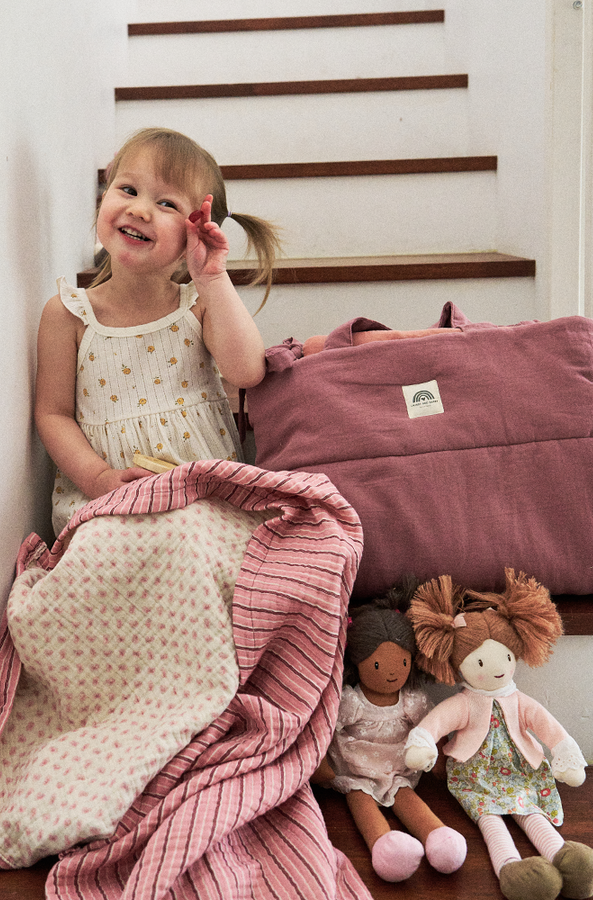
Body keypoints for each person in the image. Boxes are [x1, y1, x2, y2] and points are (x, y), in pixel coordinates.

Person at [35, 127, 281, 535]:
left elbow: (247, 372)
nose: (140, 210)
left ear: (195, 231)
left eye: (166, 203)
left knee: (194, 541)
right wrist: (97, 480)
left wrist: (213, 280)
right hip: (108, 496)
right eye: (128, 189)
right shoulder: (69, 314)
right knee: (107, 550)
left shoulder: (198, 304)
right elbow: (52, 414)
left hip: (198, 495)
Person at [404, 570, 593, 900]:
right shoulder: (464, 703)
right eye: (478, 661)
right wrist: (422, 742)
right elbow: (436, 722)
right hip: (476, 777)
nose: (496, 668)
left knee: (530, 809)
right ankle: (511, 867)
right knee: (489, 817)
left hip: (520, 773)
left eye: (506, 657)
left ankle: (563, 856)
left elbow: (547, 726)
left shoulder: (519, 700)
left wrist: (565, 753)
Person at [311, 580, 467, 882]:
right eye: (379, 664)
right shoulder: (351, 701)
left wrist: (439, 759)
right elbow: (325, 730)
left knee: (406, 797)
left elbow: (429, 728)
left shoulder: (411, 700)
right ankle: (384, 846)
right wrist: (320, 766)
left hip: (400, 770)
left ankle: (439, 835)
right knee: (361, 800)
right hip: (356, 772)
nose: (393, 672)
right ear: (358, 661)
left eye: (403, 661)